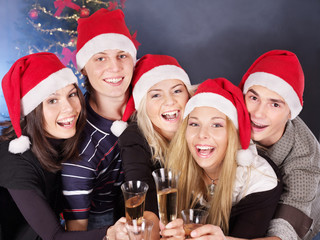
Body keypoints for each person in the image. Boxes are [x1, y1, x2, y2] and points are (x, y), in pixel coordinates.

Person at [0, 52, 129, 240]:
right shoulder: (15, 162)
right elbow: (53, 236)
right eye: (52, 100)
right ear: (31, 111)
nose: (69, 108)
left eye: (72, 94)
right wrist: (109, 234)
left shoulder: (68, 141)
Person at [166, 78, 283, 239]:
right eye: (194, 124)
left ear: (234, 134)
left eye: (216, 125)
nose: (202, 135)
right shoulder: (176, 167)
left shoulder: (260, 179)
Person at [61, 8, 139, 231]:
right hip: (101, 219)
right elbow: (77, 228)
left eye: (122, 55)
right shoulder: (81, 145)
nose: (114, 67)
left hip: (149, 203)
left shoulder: (151, 102)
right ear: (84, 68)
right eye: (100, 58)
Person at [238, 49, 320, 240]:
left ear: (290, 112)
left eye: (274, 104)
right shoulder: (228, 114)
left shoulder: (306, 158)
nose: (258, 114)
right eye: (254, 98)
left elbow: (283, 233)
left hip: (303, 224)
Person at [118, 54, 194, 239]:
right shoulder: (134, 137)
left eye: (177, 91)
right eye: (156, 95)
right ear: (143, 105)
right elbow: (141, 199)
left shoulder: (201, 129)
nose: (169, 101)